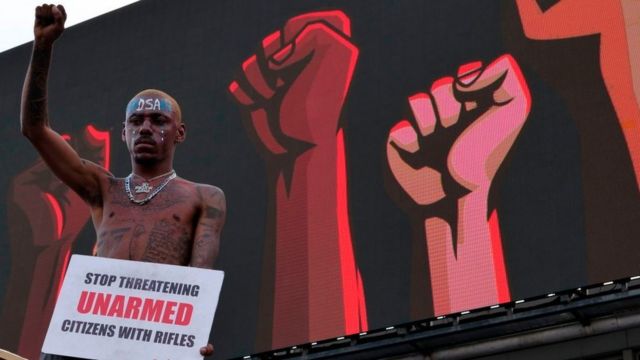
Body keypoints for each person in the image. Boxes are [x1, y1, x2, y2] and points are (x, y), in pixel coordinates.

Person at [21, 4, 224, 359]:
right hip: (87, 338)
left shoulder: (204, 197)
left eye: (158, 120)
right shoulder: (104, 189)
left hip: (155, 343)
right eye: (137, 121)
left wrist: (195, 336)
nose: (146, 127)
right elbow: (35, 129)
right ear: (124, 133)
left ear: (180, 132)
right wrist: (42, 48)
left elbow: (198, 282)